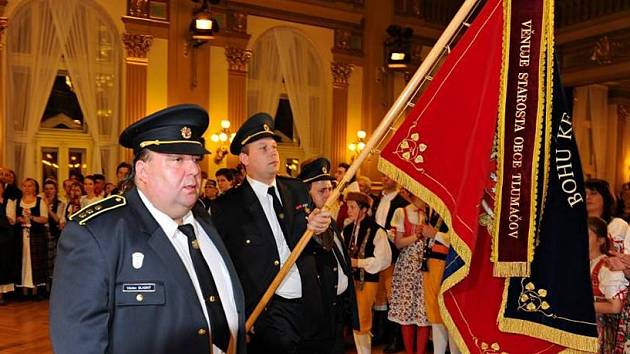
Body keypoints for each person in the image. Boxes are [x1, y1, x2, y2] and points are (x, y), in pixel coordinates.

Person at [50, 104, 246, 354]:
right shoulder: (97, 233)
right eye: (177, 159)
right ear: (142, 172)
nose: (194, 170)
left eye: (196, 159)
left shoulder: (203, 221)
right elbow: (78, 344)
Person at [211, 112, 332, 354]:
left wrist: (320, 230)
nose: (273, 152)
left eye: (274, 147)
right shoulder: (227, 206)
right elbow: (225, 267)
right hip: (268, 309)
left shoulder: (296, 189)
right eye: (263, 148)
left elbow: (320, 244)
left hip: (310, 301)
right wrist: (238, 314)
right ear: (244, 158)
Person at [298, 157, 360, 354]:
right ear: (307, 193)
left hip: (337, 309)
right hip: (318, 315)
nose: (328, 195)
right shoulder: (301, 226)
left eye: (330, 189)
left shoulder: (330, 220)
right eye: (321, 190)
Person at [344, 191, 392, 354]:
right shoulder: (347, 229)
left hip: (368, 281)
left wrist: (358, 262)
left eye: (353, 207)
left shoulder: (377, 230)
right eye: (347, 206)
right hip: (351, 280)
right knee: (354, 321)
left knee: (362, 320)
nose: (348, 210)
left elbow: (383, 260)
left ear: (364, 209)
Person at [372, 174, 409, 352]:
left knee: (393, 295)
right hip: (377, 252)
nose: (384, 179)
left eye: (388, 176)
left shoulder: (401, 201)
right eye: (383, 176)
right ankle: (380, 333)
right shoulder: (378, 199)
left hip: (395, 253)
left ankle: (396, 338)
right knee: (379, 296)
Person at [589, 216, 628, 353]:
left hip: (601, 335)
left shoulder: (607, 266)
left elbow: (615, 306)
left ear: (601, 240)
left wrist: (579, 306)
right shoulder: (579, 266)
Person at [6, 178, 49, 298]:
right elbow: (12, 219)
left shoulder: (40, 201)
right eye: (24, 186)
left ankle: (38, 290)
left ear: (35, 188)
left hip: (36, 235)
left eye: (30, 186)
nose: (27, 188)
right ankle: (22, 291)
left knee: (37, 262)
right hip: (20, 236)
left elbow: (44, 219)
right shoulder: (16, 201)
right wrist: (18, 219)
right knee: (22, 261)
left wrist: (32, 217)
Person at [585, 179, 629, 253]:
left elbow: (617, 254)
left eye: (593, 193)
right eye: (584, 193)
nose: (587, 197)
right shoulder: (573, 223)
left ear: (605, 197)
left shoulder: (617, 224)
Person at [0, 183, 15, 305]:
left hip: (3, 237)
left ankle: (1, 295)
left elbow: (11, 220)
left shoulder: (8, 202)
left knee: (2, 265)